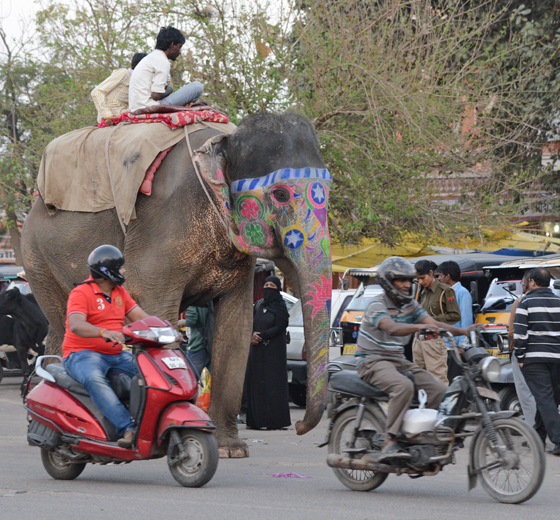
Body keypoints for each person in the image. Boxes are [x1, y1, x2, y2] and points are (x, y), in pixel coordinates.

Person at [356, 257, 480, 457]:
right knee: (403, 386)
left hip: (397, 361)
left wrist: (464, 331)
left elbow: (434, 323)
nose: (407, 285)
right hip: (372, 360)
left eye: (409, 280)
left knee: (440, 390)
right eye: (401, 281)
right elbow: (392, 328)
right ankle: (390, 441)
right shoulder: (376, 305)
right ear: (388, 282)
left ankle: (419, 435)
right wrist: (420, 326)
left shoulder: (409, 305)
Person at [62, 245, 149, 448]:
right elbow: (76, 324)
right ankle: (127, 428)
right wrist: (104, 332)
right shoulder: (81, 293)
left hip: (116, 355)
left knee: (150, 370)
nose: (124, 271)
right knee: (94, 379)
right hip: (82, 354)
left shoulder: (120, 292)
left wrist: (168, 331)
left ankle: (150, 421)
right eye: (121, 268)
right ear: (107, 272)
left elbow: (142, 318)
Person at [514, 267, 560, 455]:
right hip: (557, 358)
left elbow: (519, 334)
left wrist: (520, 357)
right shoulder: (559, 302)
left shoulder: (525, 302)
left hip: (534, 359)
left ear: (532, 282)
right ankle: (537, 438)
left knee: (544, 398)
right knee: (549, 399)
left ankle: (558, 438)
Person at [245, 276, 291, 430]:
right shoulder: (258, 305)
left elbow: (280, 325)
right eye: (266, 285)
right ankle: (256, 421)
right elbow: (250, 322)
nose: (268, 288)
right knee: (257, 384)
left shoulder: (281, 306)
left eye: (272, 285)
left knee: (273, 385)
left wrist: (263, 335)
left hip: (274, 352)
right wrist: (252, 335)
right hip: (257, 350)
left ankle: (274, 421)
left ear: (278, 289)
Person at [128, 26, 204, 112]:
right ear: (172, 46)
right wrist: (170, 89)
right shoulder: (162, 60)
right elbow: (156, 95)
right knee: (198, 87)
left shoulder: (152, 57)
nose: (179, 52)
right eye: (179, 47)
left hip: (136, 107)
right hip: (149, 106)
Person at [413, 260, 461, 385]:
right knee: (419, 381)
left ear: (431, 273)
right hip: (418, 340)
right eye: (418, 279)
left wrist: (431, 321)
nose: (421, 282)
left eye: (423, 278)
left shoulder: (445, 291)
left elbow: (455, 316)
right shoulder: (423, 291)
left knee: (438, 382)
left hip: (434, 341)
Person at [508, 271, 537, 428]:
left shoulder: (520, 302)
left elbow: (513, 332)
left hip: (523, 353)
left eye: (523, 282)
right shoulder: (552, 301)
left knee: (525, 393)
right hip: (546, 353)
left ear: (529, 283)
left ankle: (532, 429)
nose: (522, 285)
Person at [91, 53, 147, 123]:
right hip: (113, 119)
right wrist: (108, 115)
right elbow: (97, 92)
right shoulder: (124, 73)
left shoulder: (141, 83)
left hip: (126, 117)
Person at [179, 302, 213, 377]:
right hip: (212, 347)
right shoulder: (212, 302)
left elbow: (191, 321)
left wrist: (180, 322)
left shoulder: (193, 302)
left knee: (190, 381)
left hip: (197, 347)